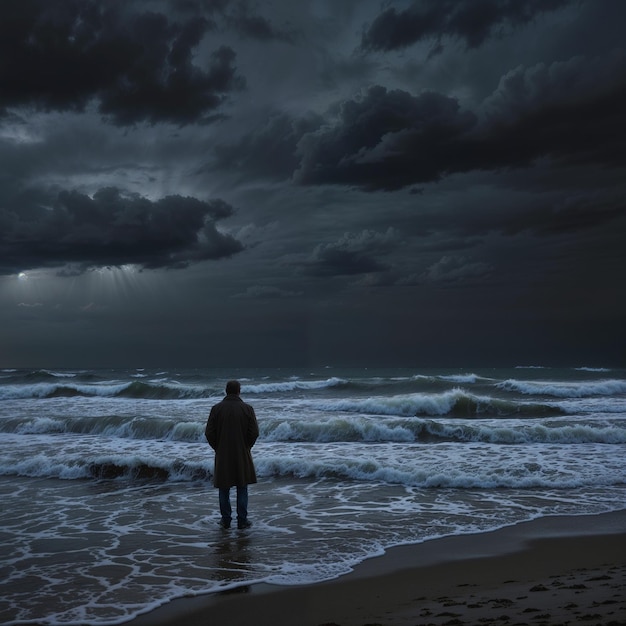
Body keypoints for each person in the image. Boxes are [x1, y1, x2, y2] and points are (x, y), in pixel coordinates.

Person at [205, 380, 259, 529]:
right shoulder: (247, 409)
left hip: (223, 454)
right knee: (242, 487)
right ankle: (242, 521)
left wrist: (218, 447)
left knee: (224, 488)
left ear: (226, 391)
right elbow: (254, 432)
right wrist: (246, 446)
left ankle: (226, 520)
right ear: (238, 391)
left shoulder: (216, 409)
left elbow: (209, 433)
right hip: (242, 453)